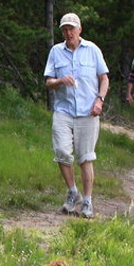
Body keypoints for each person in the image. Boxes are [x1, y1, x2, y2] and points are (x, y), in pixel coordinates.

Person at [44, 13, 109, 219]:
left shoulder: (92, 50)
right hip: (63, 110)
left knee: (85, 157)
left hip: (87, 113)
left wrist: (99, 100)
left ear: (79, 29)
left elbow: (104, 78)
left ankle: (88, 201)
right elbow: (48, 81)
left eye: (71, 28)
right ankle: (73, 192)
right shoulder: (56, 51)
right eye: (64, 29)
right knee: (62, 152)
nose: (68, 32)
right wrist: (60, 81)